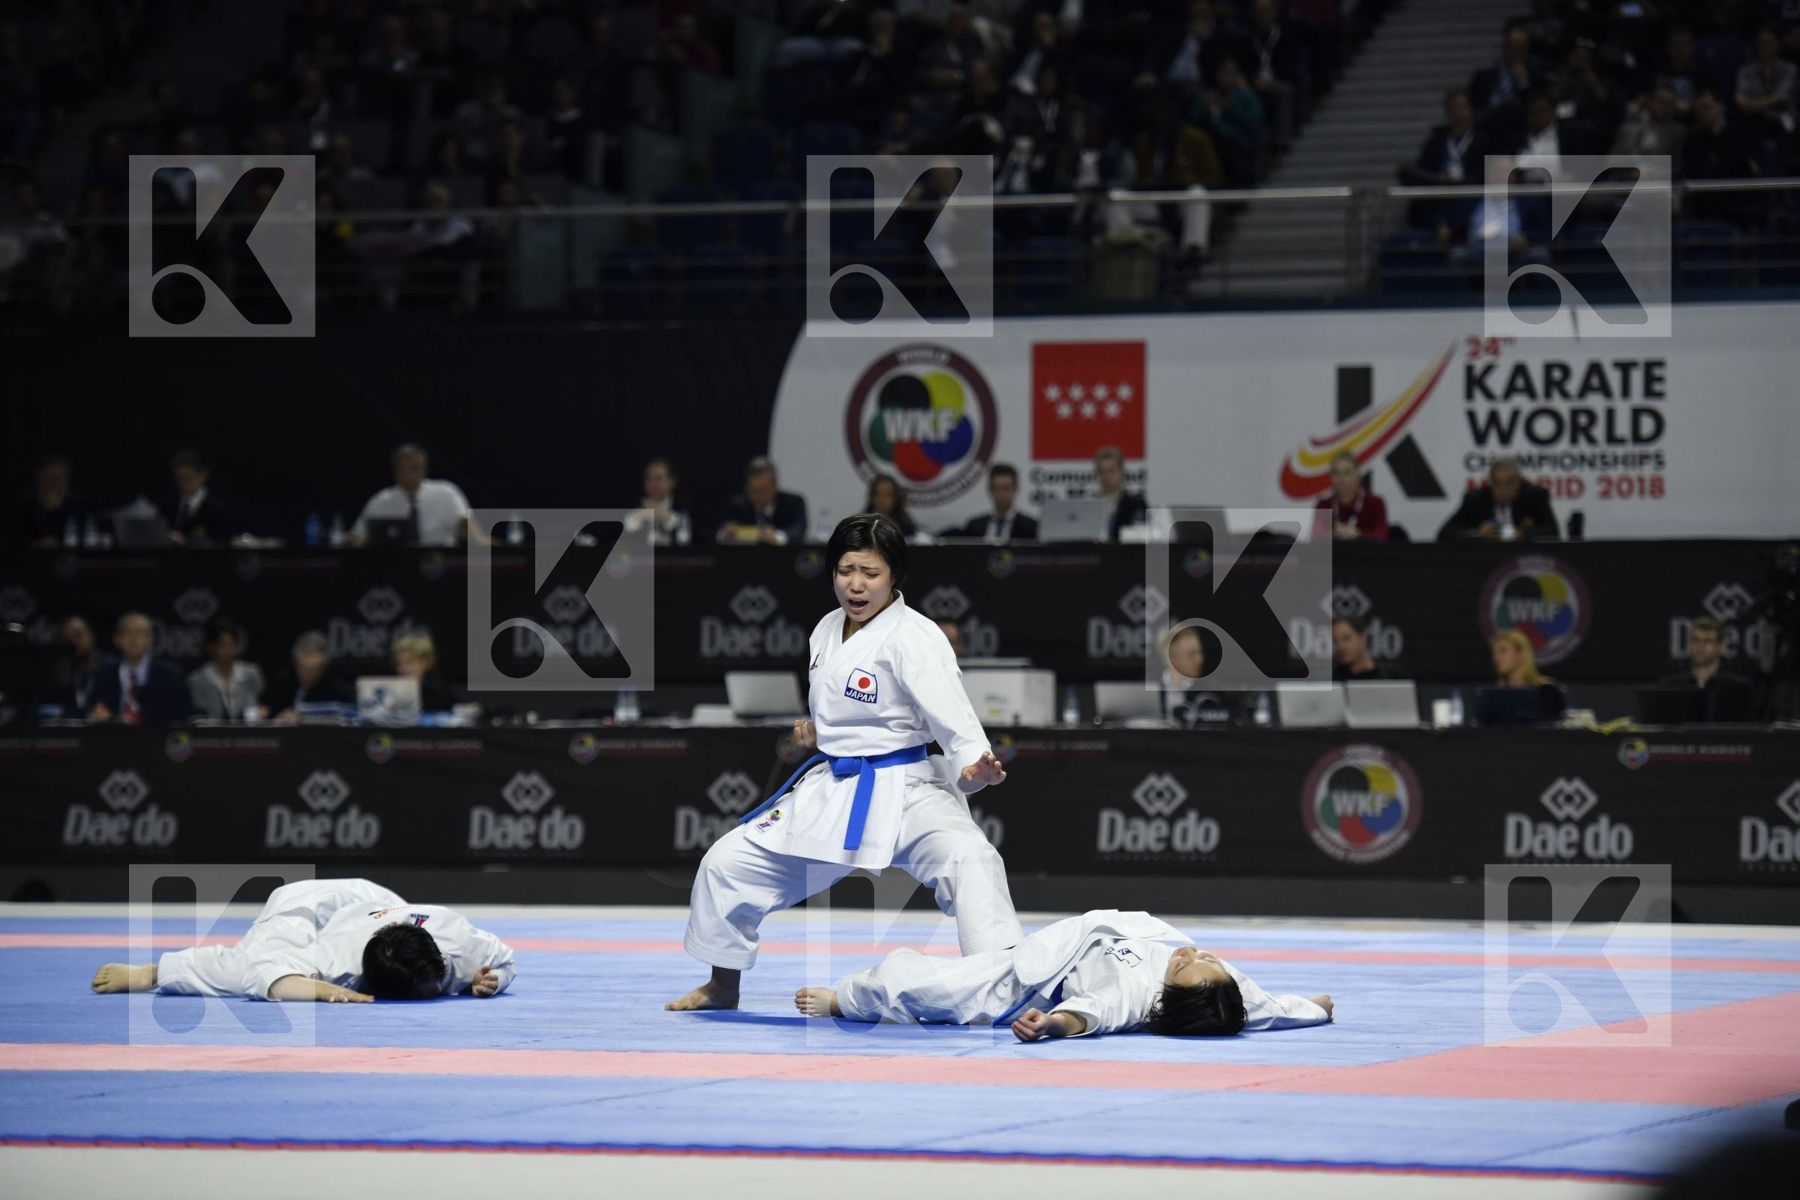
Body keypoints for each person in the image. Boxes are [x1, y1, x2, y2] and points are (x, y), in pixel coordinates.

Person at [668, 515, 1021, 1012]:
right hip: (838, 787)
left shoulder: (915, 636)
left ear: (894, 576)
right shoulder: (826, 629)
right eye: (845, 569)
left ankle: (1005, 987)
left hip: (907, 788)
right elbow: (841, 707)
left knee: (973, 861)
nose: (856, 584)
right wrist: (818, 731)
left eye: (870, 573)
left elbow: (951, 711)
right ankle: (723, 984)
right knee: (726, 863)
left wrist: (971, 763)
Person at [795, 909, 1332, 1040]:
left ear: (1166, 995)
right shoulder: (1237, 993)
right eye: (1205, 961)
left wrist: (1050, 1024)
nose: (1194, 955)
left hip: (1028, 982)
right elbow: (1283, 1010)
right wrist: (1318, 1006)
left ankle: (843, 999)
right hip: (1051, 940)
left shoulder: (1138, 994)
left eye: (1185, 968)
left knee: (914, 978)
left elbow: (1092, 1015)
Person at [91, 878, 514, 1002]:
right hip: (306, 908)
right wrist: (325, 991)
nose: (439, 990)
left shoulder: (457, 938)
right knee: (246, 969)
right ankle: (152, 971)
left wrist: (494, 980)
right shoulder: (338, 964)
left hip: (371, 899)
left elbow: (507, 963)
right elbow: (268, 978)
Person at [351, 443, 470, 548]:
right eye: (402, 470)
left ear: (424, 469)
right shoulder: (380, 500)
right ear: (394, 471)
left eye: (414, 469)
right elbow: (358, 535)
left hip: (436, 563)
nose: (407, 476)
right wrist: (353, 541)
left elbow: (466, 525)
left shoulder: (446, 492)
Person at [87, 612, 193, 724]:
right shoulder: (104, 675)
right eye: (128, 632)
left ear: (151, 640)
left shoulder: (170, 675)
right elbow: (91, 707)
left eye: (141, 633)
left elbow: (183, 713)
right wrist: (97, 713)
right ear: (117, 639)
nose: (134, 639)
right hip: (113, 737)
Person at [1659, 616, 1757, 722]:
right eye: (1695, 640)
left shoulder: (1739, 690)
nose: (1700, 646)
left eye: (1708, 641)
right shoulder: (1670, 687)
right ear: (1688, 645)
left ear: (1721, 647)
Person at [1438, 457, 1559, 541]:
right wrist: (1477, 534)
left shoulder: (1535, 497)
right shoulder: (1475, 500)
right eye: (1497, 483)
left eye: (1510, 483)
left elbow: (1553, 532)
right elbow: (1445, 534)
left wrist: (1525, 534)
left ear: (1519, 481)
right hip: (1486, 560)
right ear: (1490, 482)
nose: (1503, 489)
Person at [1160, 626, 1252, 727]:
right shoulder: (1150, 691)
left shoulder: (1214, 692)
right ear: (1173, 660)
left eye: (1200, 653)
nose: (1200, 660)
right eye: (1192, 654)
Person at [186, 617, 265, 721]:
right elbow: (198, 717)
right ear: (211, 647)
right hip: (211, 736)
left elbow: (261, 705)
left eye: (232, 645)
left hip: (251, 735)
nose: (228, 651)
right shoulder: (197, 680)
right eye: (223, 645)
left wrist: (261, 711)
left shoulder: (252, 674)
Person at [716, 457, 808, 545]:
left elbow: (797, 532)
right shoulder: (737, 505)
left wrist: (776, 536)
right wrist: (727, 533)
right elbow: (721, 532)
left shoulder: (794, 503)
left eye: (762, 490)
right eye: (752, 491)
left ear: (775, 487)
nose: (757, 496)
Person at [268, 630, 351, 722]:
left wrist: (303, 719)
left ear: (324, 667)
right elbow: (270, 711)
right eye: (302, 668)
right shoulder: (283, 684)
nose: (307, 674)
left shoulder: (337, 691)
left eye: (314, 670)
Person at [943, 463, 1039, 542]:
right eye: (996, 488)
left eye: (1006, 489)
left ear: (1015, 489)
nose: (1001, 494)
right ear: (990, 490)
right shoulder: (975, 526)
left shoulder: (1030, 527)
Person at [1487, 629, 1566, 724]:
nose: (1496, 658)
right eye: (1494, 653)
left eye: (1503, 651)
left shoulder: (1548, 693)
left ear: (1521, 654)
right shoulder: (1494, 697)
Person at [1314, 452, 1389, 542]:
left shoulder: (1376, 503)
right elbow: (1316, 540)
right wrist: (1334, 535)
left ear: (1358, 476)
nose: (1341, 479)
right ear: (1331, 478)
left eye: (1347, 473)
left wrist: (1358, 535)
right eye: (1336, 474)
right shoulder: (1323, 505)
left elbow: (1381, 536)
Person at [165, 448, 231, 546]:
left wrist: (187, 542)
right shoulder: (169, 503)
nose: (182, 484)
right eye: (178, 479)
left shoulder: (217, 508)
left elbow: (222, 543)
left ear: (202, 476)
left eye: (187, 478)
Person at [16, 454, 83, 549]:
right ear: (39, 476)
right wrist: (36, 545)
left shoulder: (79, 506)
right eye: (48, 475)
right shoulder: (24, 506)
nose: (54, 482)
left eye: (60, 476)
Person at [623, 457, 692, 547]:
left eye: (659, 479)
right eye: (649, 479)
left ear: (672, 481)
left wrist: (659, 513)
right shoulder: (635, 507)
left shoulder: (682, 507)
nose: (653, 484)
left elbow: (684, 539)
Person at [392, 631, 455, 713]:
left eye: (410, 663)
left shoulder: (439, 693)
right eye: (399, 664)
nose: (403, 669)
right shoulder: (390, 691)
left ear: (426, 663)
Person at [1094, 446, 1147, 542]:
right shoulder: (1091, 505)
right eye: (1101, 472)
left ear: (1121, 473)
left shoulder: (1135, 504)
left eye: (1111, 471)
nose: (1106, 476)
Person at [1332, 614, 1403, 682]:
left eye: (1346, 638)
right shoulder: (1333, 680)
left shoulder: (1391, 676)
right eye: (1335, 641)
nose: (1340, 646)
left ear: (1363, 638)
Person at [56, 614, 103, 715]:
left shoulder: (111, 667)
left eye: (78, 635)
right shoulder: (60, 671)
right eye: (67, 639)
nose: (74, 643)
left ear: (92, 635)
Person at [864, 473, 925, 541]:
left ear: (896, 497)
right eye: (877, 494)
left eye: (888, 494)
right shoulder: (862, 523)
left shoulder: (905, 525)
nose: (882, 499)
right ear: (871, 497)